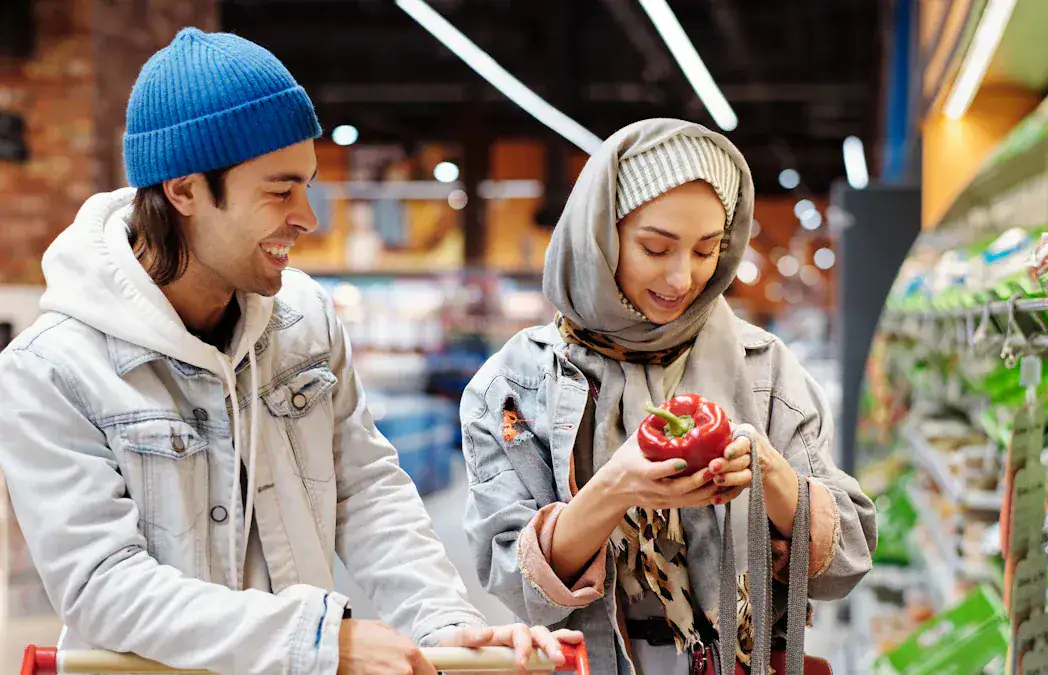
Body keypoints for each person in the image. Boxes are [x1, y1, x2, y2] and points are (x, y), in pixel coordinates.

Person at [0, 27, 578, 675]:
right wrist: (319, 641)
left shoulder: (305, 320)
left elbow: (366, 492)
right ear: (184, 190)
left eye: (307, 185)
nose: (308, 216)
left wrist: (443, 618)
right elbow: (104, 586)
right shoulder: (51, 370)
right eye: (280, 190)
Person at [460, 119, 877, 673]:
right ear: (601, 237)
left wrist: (771, 476)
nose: (682, 279)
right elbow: (512, 581)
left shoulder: (766, 369)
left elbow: (847, 561)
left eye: (707, 250)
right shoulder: (515, 386)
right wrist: (614, 488)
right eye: (655, 248)